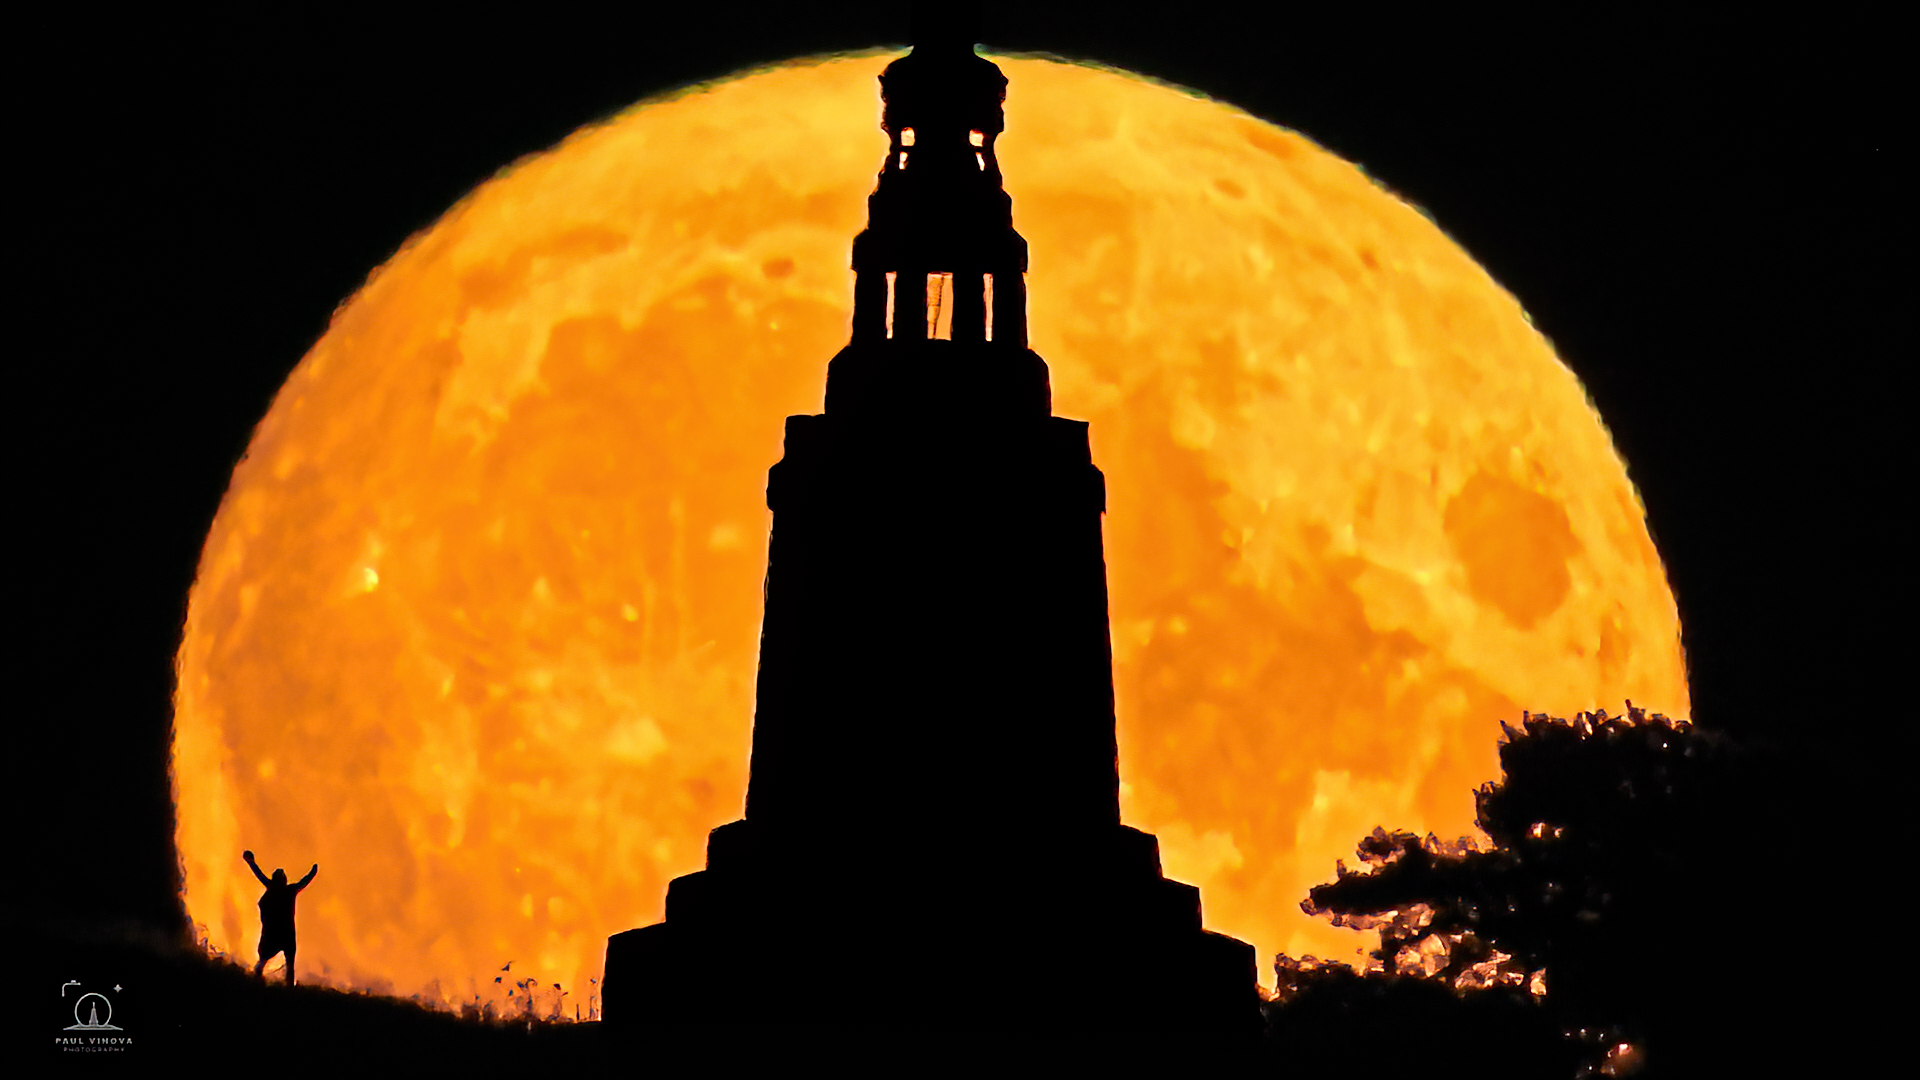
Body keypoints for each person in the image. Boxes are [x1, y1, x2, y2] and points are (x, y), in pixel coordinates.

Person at [244, 850, 318, 983]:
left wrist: (250, 861)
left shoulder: (282, 889)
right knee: (277, 962)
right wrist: (313, 872)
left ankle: (267, 982)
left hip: (281, 934)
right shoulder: (285, 889)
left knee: (281, 963)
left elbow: (258, 873)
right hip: (279, 933)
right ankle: (261, 980)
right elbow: (304, 882)